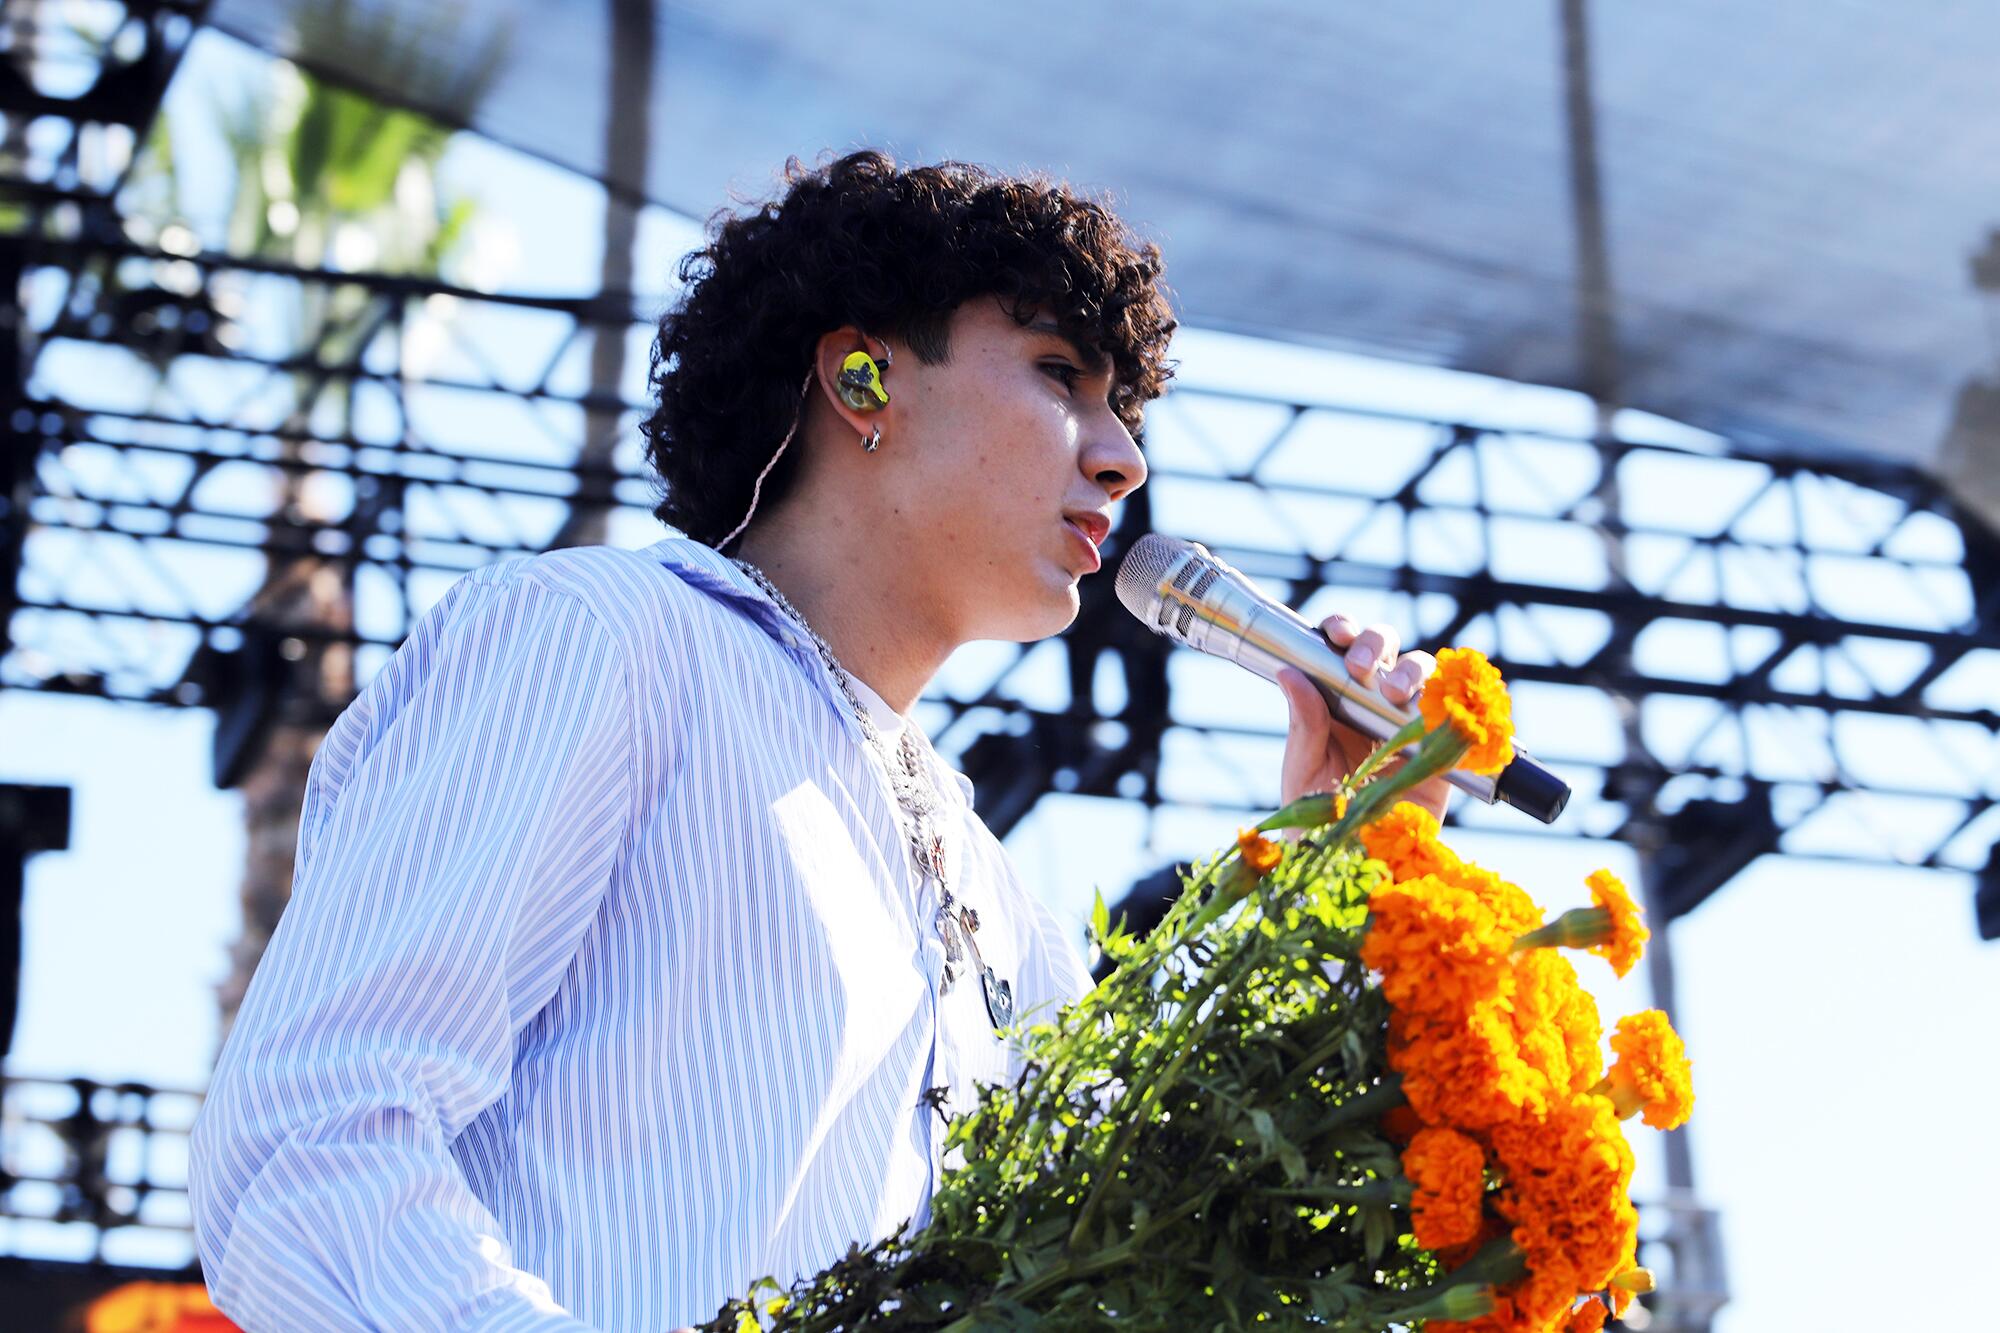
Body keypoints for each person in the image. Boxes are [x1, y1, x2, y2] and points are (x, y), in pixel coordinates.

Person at [188, 149, 1449, 1332]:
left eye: (1122, 408)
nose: (1123, 459)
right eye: (1061, 375)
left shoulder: (986, 878)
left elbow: (1138, 1229)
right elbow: (313, 1137)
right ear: (862, 380)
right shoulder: (606, 637)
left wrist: (1334, 861)